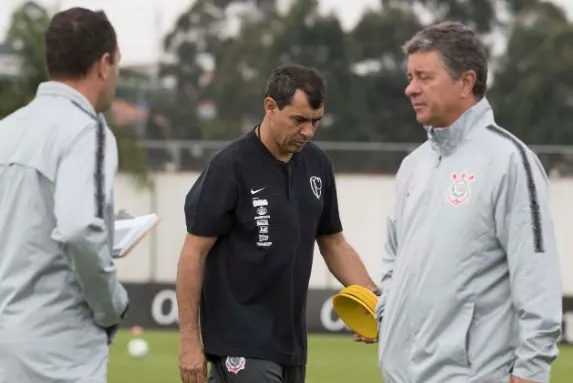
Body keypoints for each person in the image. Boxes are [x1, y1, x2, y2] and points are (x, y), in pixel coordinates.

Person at [366, 21, 563, 383]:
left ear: (466, 82)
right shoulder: (413, 166)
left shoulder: (509, 161)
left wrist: (530, 372)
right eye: (410, 77)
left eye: (424, 76)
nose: (410, 88)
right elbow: (394, 259)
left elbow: (538, 281)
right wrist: (387, 313)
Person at [176, 64, 379, 383]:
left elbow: (333, 243)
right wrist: (189, 340)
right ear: (270, 107)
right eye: (299, 120)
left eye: (316, 121)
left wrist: (372, 301)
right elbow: (193, 253)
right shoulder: (230, 166)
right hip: (239, 340)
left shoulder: (318, 165)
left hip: (291, 343)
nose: (308, 132)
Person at [0, 7, 129, 383]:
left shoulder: (7, 130)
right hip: (60, 352)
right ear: (104, 64)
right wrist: (112, 308)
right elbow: (77, 230)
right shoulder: (87, 130)